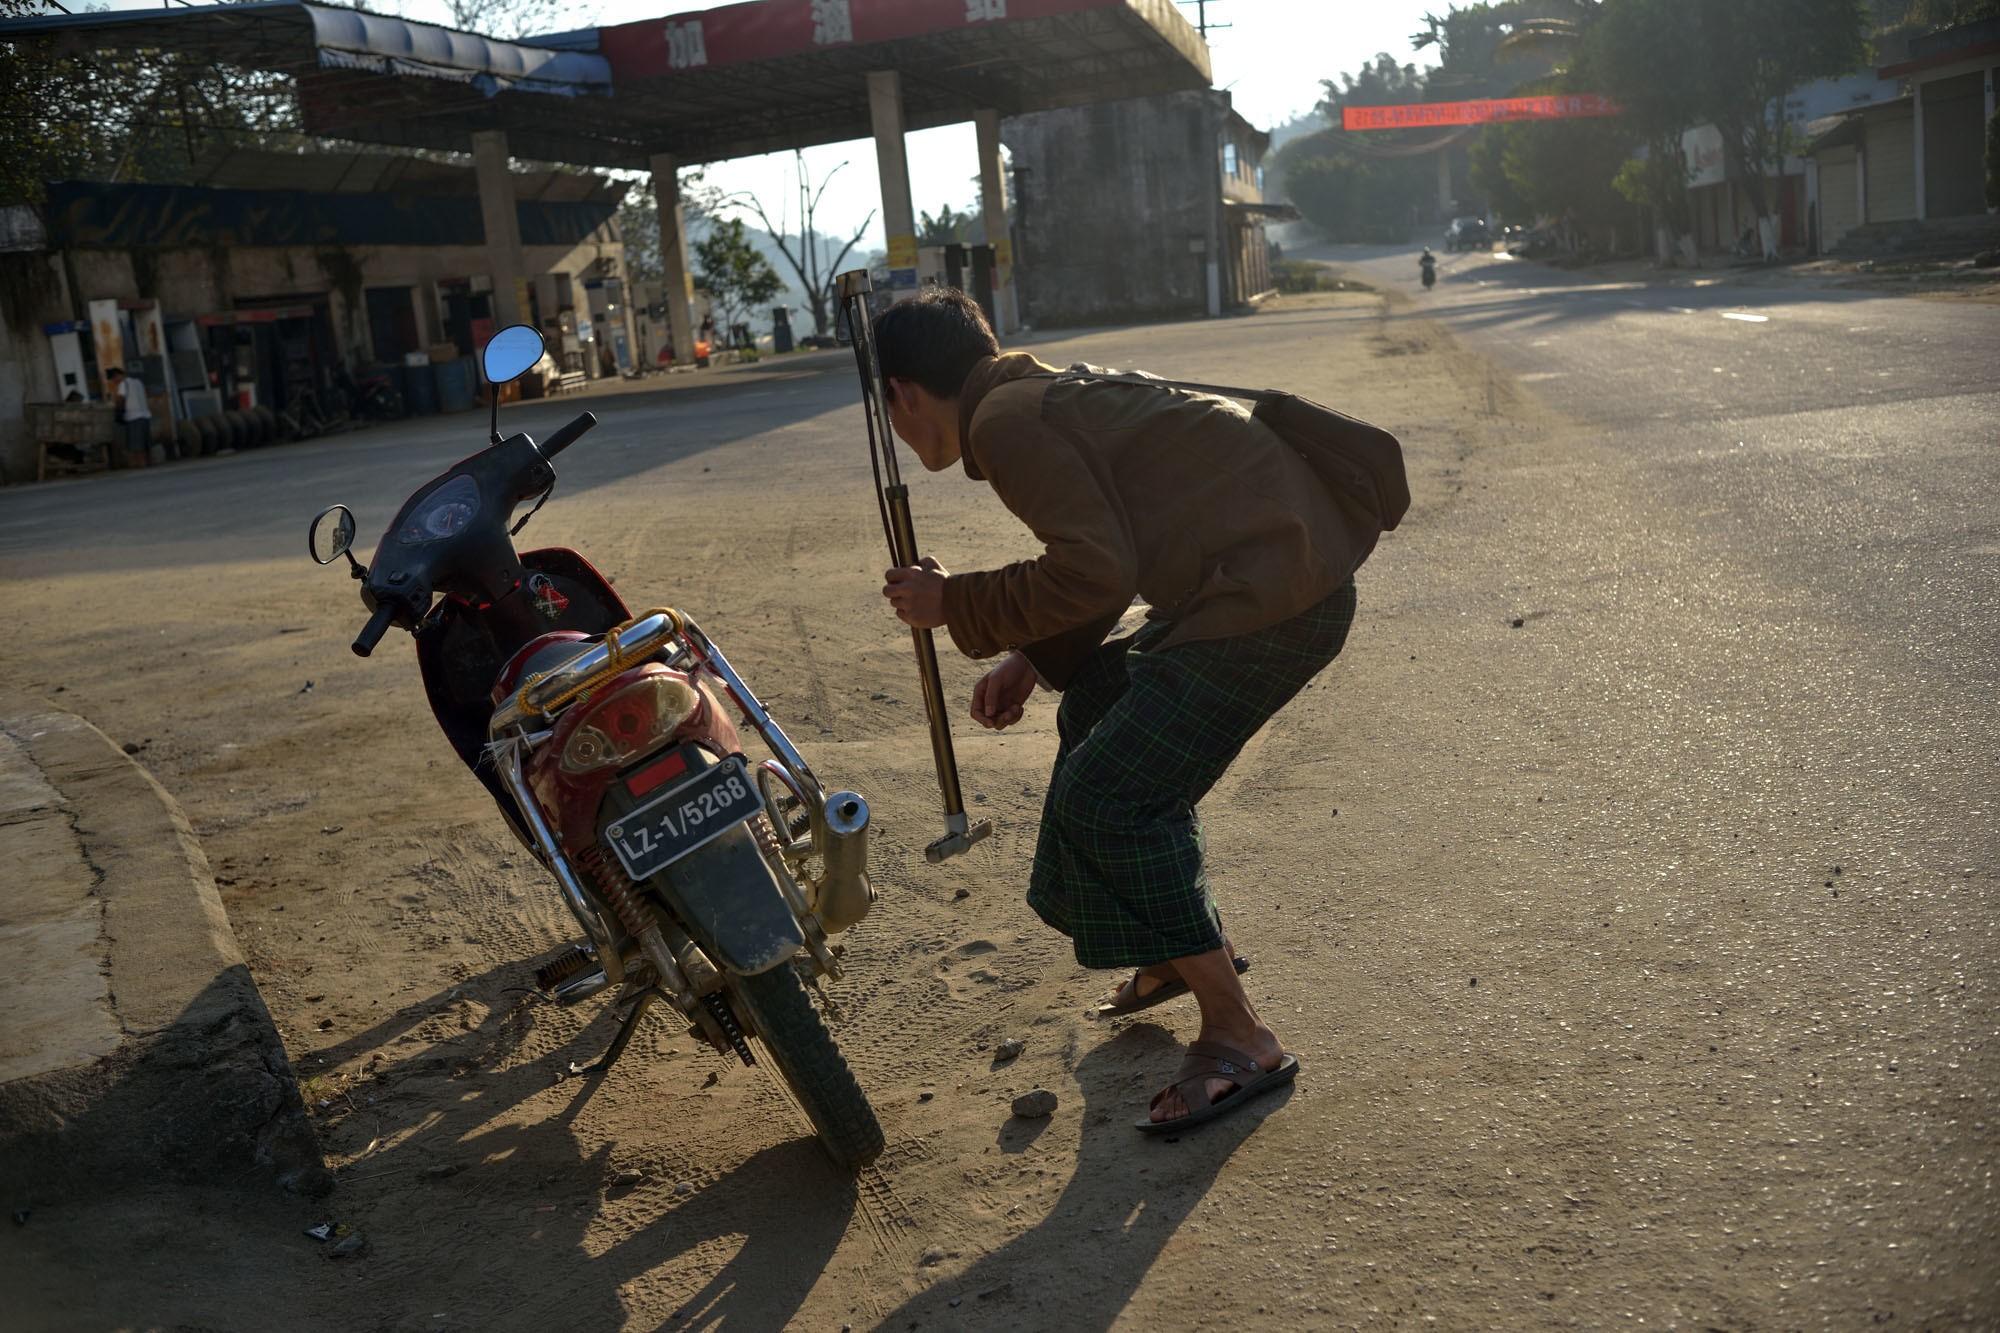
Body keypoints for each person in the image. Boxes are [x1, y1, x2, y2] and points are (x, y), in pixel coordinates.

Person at [874, 289, 1362, 1133]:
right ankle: (1167, 945)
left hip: (1277, 593)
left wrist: (955, 601)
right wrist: (1034, 654)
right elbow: (1121, 549)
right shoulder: (1031, 393)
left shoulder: (1006, 422)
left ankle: (1240, 1030)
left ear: (902, 396)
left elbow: (1096, 569)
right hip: (1272, 572)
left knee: (1110, 797)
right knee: (1096, 700)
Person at [105, 367, 152, 465]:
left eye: (113, 380)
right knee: (145, 443)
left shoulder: (123, 384)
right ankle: (148, 462)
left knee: (137, 445)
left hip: (134, 417)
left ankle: (141, 464)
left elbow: (121, 399)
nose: (114, 382)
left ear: (117, 376)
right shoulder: (138, 382)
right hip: (145, 415)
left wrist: (118, 411)